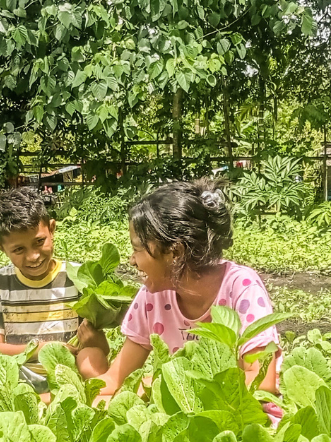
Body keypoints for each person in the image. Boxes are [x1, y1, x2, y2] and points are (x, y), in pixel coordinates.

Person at [97, 178, 282, 417]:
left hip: (246, 418)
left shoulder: (241, 287)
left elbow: (261, 380)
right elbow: (115, 379)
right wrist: (64, 397)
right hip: (183, 416)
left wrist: (171, 384)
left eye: (137, 249)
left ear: (174, 252)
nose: (132, 260)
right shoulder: (151, 297)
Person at [0, 187, 109, 393]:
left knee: (93, 358)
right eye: (19, 249)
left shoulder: (78, 277)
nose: (33, 256)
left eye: (39, 242)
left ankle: (100, 397)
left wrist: (95, 341)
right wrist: (38, 350)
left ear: (52, 229)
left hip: (69, 378)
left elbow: (101, 348)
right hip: (19, 378)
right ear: (1, 248)